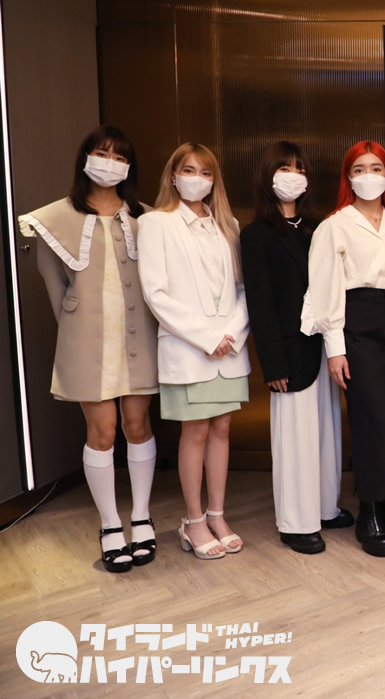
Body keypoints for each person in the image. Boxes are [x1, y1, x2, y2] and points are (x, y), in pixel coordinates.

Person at [19, 125, 159, 572]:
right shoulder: (54, 219)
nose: (110, 164)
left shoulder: (145, 217)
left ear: (129, 167)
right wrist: (78, 331)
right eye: (103, 154)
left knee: (138, 425)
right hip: (87, 340)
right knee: (102, 431)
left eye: (120, 157)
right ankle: (110, 524)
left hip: (141, 337)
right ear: (85, 158)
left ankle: (142, 516)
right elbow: (54, 286)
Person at [303, 141, 385, 557]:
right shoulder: (335, 225)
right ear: (348, 177)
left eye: (376, 168)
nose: (368, 176)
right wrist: (335, 347)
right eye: (359, 169)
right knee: (370, 416)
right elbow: (325, 289)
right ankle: (367, 510)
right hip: (357, 321)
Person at [138, 143, 250, 561]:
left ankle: (217, 514)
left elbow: (243, 289)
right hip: (189, 348)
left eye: (206, 173)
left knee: (222, 429)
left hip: (229, 348)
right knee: (197, 431)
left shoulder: (228, 224)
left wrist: (231, 334)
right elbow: (156, 294)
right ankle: (193, 520)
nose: (197, 179)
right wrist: (206, 337)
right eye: (189, 170)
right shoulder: (156, 223)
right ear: (173, 175)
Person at [241, 141, 351, 555]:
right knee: (295, 439)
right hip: (287, 351)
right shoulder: (256, 235)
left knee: (326, 432)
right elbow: (260, 304)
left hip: (323, 345)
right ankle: (295, 522)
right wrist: (272, 364)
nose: (293, 176)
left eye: (299, 168)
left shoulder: (318, 228)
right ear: (267, 176)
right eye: (284, 168)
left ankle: (325, 507)